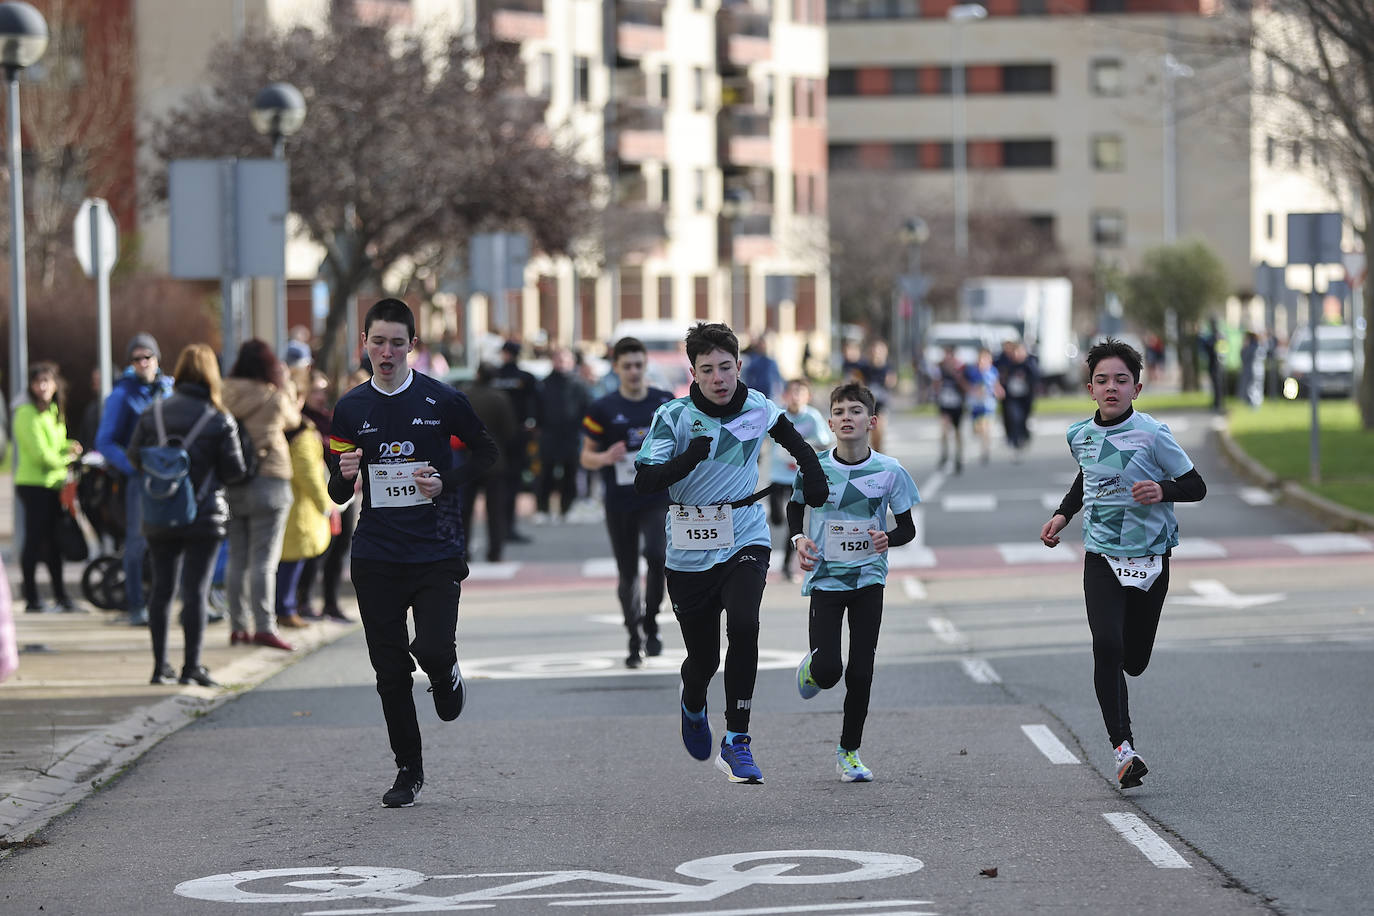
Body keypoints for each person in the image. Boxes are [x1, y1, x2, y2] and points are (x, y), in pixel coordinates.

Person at [635, 322, 828, 784]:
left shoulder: (757, 406)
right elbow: (645, 481)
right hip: (687, 546)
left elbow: (797, 442)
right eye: (708, 370)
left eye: (726, 367)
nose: (719, 378)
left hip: (744, 532)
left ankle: (737, 738)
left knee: (744, 624)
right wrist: (688, 459)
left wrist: (813, 473)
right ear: (693, 374)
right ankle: (693, 701)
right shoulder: (673, 417)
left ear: (739, 366)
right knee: (703, 659)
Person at [328, 298, 499, 808]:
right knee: (389, 670)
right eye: (377, 341)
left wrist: (446, 480)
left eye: (396, 343)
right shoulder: (350, 409)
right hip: (376, 553)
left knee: (431, 647)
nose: (386, 351)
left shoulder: (442, 400)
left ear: (412, 347)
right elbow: (337, 494)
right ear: (364, 344)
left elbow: (487, 453)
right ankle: (409, 768)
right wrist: (343, 474)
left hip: (435, 549)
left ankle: (446, 672)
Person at [1038, 338, 1207, 789]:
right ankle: (1123, 749)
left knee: (1133, 660)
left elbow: (1196, 485)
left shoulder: (1154, 435)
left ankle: (1125, 717)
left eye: (1121, 380)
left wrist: (1162, 490)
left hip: (1151, 556)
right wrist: (1062, 514)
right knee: (1107, 646)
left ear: (1136, 387)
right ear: (1090, 388)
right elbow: (1087, 477)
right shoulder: (1079, 435)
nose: (1111, 387)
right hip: (1102, 557)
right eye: (1102, 380)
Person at [791, 382, 919, 782]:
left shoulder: (889, 470)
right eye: (840, 412)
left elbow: (908, 528)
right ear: (830, 422)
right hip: (827, 580)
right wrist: (799, 539)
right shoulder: (815, 467)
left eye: (855, 411)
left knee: (861, 672)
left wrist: (888, 538)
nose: (847, 417)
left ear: (871, 421)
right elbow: (795, 507)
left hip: (869, 579)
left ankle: (849, 752)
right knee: (830, 671)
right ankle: (812, 667)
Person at [128, 344, 248, 686]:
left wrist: (165, 469)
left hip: (160, 511)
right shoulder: (218, 418)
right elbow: (235, 471)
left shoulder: (154, 413)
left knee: (161, 589)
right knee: (195, 590)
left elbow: (135, 457)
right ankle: (191, 667)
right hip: (204, 514)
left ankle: (158, 666)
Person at [581, 337, 675, 668]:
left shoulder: (663, 402)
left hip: (657, 498)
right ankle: (634, 637)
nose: (634, 371)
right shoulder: (602, 408)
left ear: (646, 365)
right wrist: (606, 456)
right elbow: (586, 457)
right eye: (627, 366)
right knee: (628, 573)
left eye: (639, 365)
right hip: (620, 501)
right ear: (617, 368)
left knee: (658, 556)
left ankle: (651, 621)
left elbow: (680, 445)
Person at [223, 339, 300, 650]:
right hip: (270, 477)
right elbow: (294, 419)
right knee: (264, 561)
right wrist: (288, 383)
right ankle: (265, 626)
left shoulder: (226, 391)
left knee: (237, 559)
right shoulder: (273, 395)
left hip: (235, 479)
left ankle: (238, 626)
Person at [95, 333, 174, 625]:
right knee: (137, 542)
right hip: (141, 481)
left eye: (148, 357)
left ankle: (166, 603)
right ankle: (136, 605)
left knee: (171, 541)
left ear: (157, 359)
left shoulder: (168, 390)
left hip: (170, 479)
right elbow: (104, 441)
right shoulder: (121, 395)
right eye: (136, 358)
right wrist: (133, 467)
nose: (143, 363)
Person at [13, 362, 82, 612]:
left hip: (53, 485)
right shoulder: (25, 413)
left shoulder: (52, 410)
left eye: (47, 381)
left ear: (55, 385)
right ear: (31, 386)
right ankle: (31, 597)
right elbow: (40, 455)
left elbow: (56, 443)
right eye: (37, 382)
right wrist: (68, 460)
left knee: (54, 542)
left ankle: (61, 596)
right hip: (33, 485)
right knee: (34, 541)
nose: (42, 387)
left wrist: (70, 446)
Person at [276, 380, 331, 629]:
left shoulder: (274, 427)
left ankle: (284, 607)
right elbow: (308, 471)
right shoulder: (303, 432)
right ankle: (287, 608)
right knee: (293, 560)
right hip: (299, 505)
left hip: (281, 500)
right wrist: (325, 502)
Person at [767, 378, 834, 582]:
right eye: (792, 392)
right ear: (786, 395)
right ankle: (775, 516)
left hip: (799, 478)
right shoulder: (777, 414)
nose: (795, 396)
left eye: (800, 392)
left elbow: (826, 442)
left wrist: (806, 446)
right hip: (777, 476)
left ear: (808, 397)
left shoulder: (812, 417)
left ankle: (787, 566)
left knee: (791, 524)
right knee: (777, 517)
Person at [459, 363, 518, 563]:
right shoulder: (500, 398)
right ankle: (495, 551)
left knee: (465, 509)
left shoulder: (464, 395)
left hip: (467, 458)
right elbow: (509, 431)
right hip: (494, 459)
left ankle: (464, 549)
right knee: (495, 510)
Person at [491, 339, 540, 544]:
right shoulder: (525, 378)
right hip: (516, 438)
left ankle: (500, 528)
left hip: (493, 438)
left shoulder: (494, 376)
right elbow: (536, 406)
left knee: (497, 485)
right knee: (511, 483)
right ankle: (507, 527)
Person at [535, 347, 591, 523]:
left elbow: (588, 409)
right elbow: (536, 409)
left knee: (570, 473)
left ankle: (567, 509)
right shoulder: (544, 383)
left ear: (572, 362)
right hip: (549, 435)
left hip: (571, 436)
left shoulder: (579, 384)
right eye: (559, 359)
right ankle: (542, 510)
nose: (562, 363)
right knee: (546, 473)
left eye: (566, 360)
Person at [964, 347, 1003, 465]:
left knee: (986, 427)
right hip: (976, 404)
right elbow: (967, 384)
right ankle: (983, 442)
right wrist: (972, 390)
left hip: (988, 403)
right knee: (977, 429)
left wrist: (999, 391)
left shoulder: (993, 371)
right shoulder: (973, 372)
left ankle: (985, 450)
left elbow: (996, 384)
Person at [931, 346, 967, 473]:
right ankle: (944, 455)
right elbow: (935, 384)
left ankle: (959, 456)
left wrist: (957, 377)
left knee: (958, 432)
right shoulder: (939, 369)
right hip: (945, 404)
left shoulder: (961, 369)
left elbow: (966, 386)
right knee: (944, 429)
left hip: (957, 405)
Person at [1001, 342, 1038, 461]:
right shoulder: (1009, 364)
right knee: (1014, 417)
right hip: (1013, 397)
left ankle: (1025, 435)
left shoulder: (1028, 364)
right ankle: (1016, 441)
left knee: (1023, 418)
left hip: (1025, 398)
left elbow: (1036, 376)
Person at [741, 331, 784, 402]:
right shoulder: (752, 361)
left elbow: (778, 378)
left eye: (765, 344)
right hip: (757, 394)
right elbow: (748, 378)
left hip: (770, 395)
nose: (763, 346)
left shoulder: (772, 362)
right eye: (761, 344)